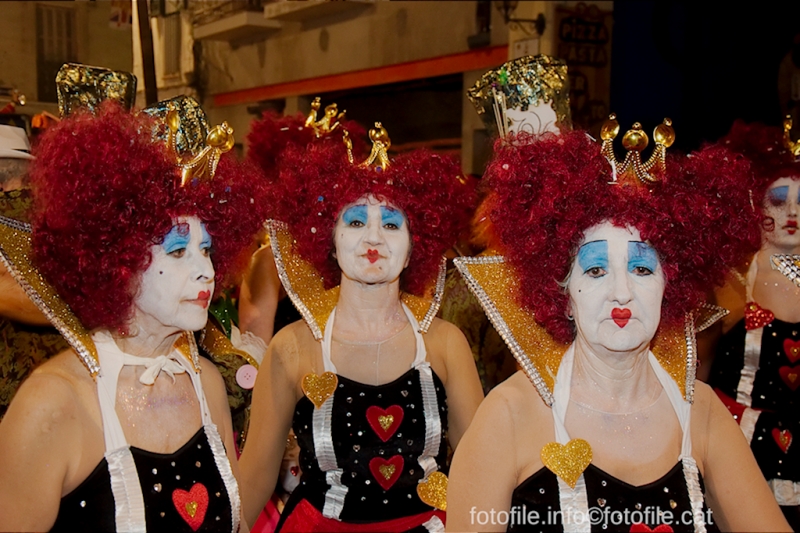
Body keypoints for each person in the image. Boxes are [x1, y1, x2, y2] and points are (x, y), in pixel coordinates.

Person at [445, 56, 789, 533]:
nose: (621, 291)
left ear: (672, 284)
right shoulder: (506, 418)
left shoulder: (701, 410)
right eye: (597, 267)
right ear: (561, 291)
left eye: (643, 267)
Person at [0, 93, 266, 531]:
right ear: (116, 260)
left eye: (207, 249)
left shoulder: (209, 385)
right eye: (179, 250)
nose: (206, 272)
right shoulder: (52, 404)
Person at [240, 117, 484, 532]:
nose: (373, 239)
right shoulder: (292, 347)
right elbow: (255, 479)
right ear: (329, 243)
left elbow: (480, 467)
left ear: (413, 250)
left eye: (391, 225)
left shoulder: (445, 344)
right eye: (355, 222)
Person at [705, 120, 800, 530]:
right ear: (754, 206)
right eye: (778, 200)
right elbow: (696, 376)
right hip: (737, 450)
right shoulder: (729, 282)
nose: (792, 212)